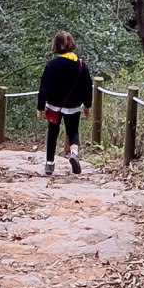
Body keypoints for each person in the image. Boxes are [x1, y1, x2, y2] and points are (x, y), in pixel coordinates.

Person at [37, 30, 92, 178]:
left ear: (56, 45)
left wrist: (40, 106)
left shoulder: (52, 65)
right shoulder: (81, 65)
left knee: (52, 132)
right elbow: (87, 86)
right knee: (73, 132)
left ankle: (49, 163)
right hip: (74, 106)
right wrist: (87, 104)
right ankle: (74, 153)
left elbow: (44, 87)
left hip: (54, 106)